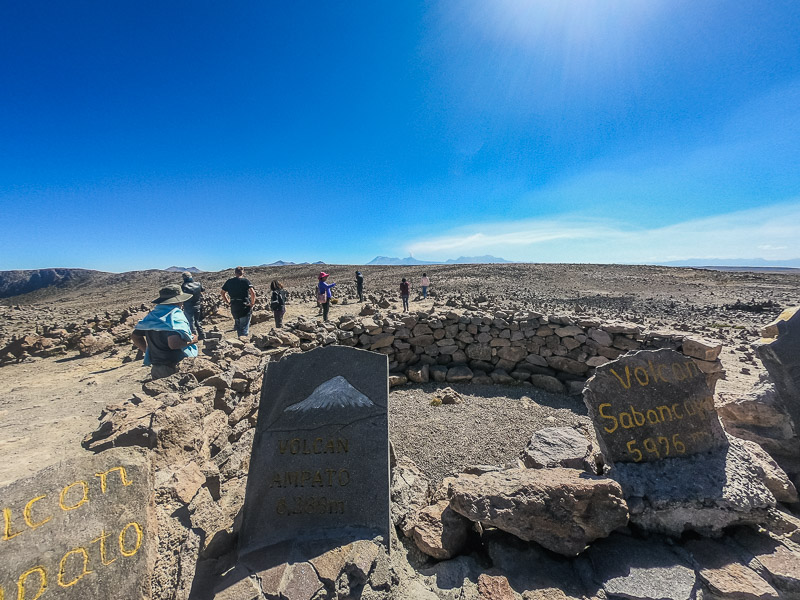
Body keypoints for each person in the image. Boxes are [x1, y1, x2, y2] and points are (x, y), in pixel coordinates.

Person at [131, 285, 198, 379]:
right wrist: (192, 340)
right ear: (178, 301)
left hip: (157, 367)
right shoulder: (173, 316)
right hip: (175, 366)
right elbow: (174, 344)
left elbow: (135, 336)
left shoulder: (153, 316)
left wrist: (148, 351)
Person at [221, 266, 256, 338]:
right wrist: (252, 303)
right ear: (243, 272)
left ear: (235, 273)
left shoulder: (229, 281)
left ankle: (239, 342)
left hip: (234, 306)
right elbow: (253, 293)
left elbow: (222, 293)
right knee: (244, 328)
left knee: (238, 327)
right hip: (244, 306)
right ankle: (243, 343)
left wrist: (228, 302)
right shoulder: (245, 281)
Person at [180, 271, 205, 339]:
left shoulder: (184, 286)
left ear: (184, 278)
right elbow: (203, 290)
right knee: (197, 321)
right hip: (197, 305)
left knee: (190, 322)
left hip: (188, 306)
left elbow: (181, 296)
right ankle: (202, 334)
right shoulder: (198, 284)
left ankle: (194, 337)